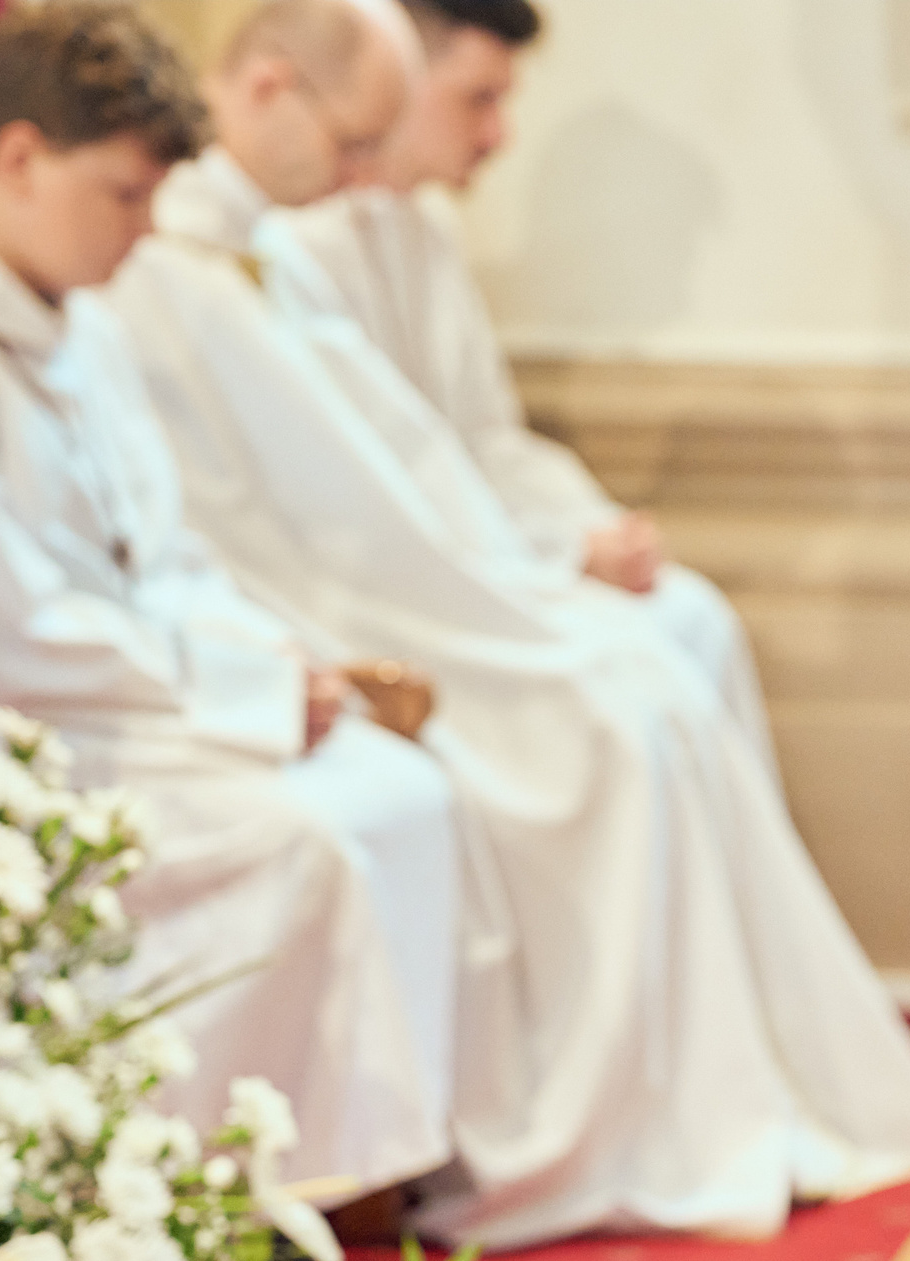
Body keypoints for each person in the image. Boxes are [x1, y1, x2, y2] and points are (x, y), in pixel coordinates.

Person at [101, 0, 910, 1249]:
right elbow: (301, 529)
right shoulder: (183, 271)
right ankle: (601, 1127)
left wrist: (537, 565)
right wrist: (516, 594)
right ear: (273, 90)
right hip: (327, 621)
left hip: (416, 591)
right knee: (617, 721)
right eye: (353, 140)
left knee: (653, 674)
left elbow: (409, 474)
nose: (360, 175)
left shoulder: (262, 250)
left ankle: (711, 1097)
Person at [0, 3, 462, 1194]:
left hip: (84, 691)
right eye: (123, 196)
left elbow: (163, 556)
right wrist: (242, 694)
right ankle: (172, 1188)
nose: (144, 231)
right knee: (297, 839)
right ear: (20, 159)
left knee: (400, 787)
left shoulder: (80, 316)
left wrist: (276, 664)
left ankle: (324, 1175)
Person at [264, 0, 773, 770]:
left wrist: (593, 526)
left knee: (694, 619)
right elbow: (381, 482)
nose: (497, 136)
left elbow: (483, 437)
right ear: (404, 76)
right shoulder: (298, 242)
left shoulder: (424, 231)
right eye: (479, 99)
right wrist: (563, 552)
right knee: (624, 701)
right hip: (388, 589)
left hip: (478, 554)